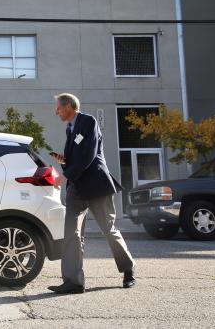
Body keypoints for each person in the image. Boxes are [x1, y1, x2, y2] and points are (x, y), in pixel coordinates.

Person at [48, 93, 135, 294]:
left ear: (69, 105)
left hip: (96, 185)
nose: (56, 111)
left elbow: (89, 154)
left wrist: (65, 174)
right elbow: (76, 157)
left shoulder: (88, 122)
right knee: (71, 233)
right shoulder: (70, 129)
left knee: (108, 229)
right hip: (77, 188)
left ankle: (128, 270)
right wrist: (63, 160)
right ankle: (74, 282)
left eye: (58, 108)